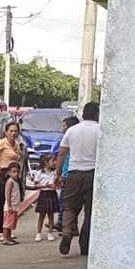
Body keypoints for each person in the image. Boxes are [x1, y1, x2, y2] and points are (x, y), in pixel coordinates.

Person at [56, 102, 100, 256]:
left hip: (73, 174)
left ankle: (67, 232)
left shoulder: (72, 131)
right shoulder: (100, 131)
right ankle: (85, 243)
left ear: (83, 114)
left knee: (70, 206)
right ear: (97, 114)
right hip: (93, 174)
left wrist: (57, 174)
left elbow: (61, 153)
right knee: (90, 211)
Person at [0, 120, 24, 237]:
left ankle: (8, 229)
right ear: (6, 132)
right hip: (3, 174)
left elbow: (18, 158)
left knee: (12, 202)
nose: (13, 133)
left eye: (16, 131)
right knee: (1, 203)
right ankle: (0, 231)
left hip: (14, 175)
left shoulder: (17, 144)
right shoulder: (2, 143)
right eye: (11, 131)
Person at [54, 116, 79, 232]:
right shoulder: (79, 139)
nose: (62, 129)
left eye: (64, 126)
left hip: (67, 173)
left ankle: (64, 225)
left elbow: (62, 154)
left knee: (65, 201)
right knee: (74, 202)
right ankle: (72, 226)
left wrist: (57, 174)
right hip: (77, 173)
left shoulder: (68, 138)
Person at [29, 154, 59, 241]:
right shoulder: (39, 173)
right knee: (41, 215)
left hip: (52, 193)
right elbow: (35, 185)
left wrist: (55, 185)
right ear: (46, 162)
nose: (55, 162)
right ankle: (38, 233)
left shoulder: (55, 172)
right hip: (44, 193)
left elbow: (58, 183)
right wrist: (44, 185)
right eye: (52, 160)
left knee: (51, 214)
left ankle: (50, 232)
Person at [2, 161, 22, 245]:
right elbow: (8, 194)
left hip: (14, 206)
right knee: (7, 224)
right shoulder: (10, 182)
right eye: (14, 172)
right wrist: (9, 206)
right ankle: (6, 239)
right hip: (10, 207)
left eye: (17, 172)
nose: (16, 174)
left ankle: (9, 237)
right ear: (9, 173)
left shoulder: (16, 182)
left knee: (11, 224)